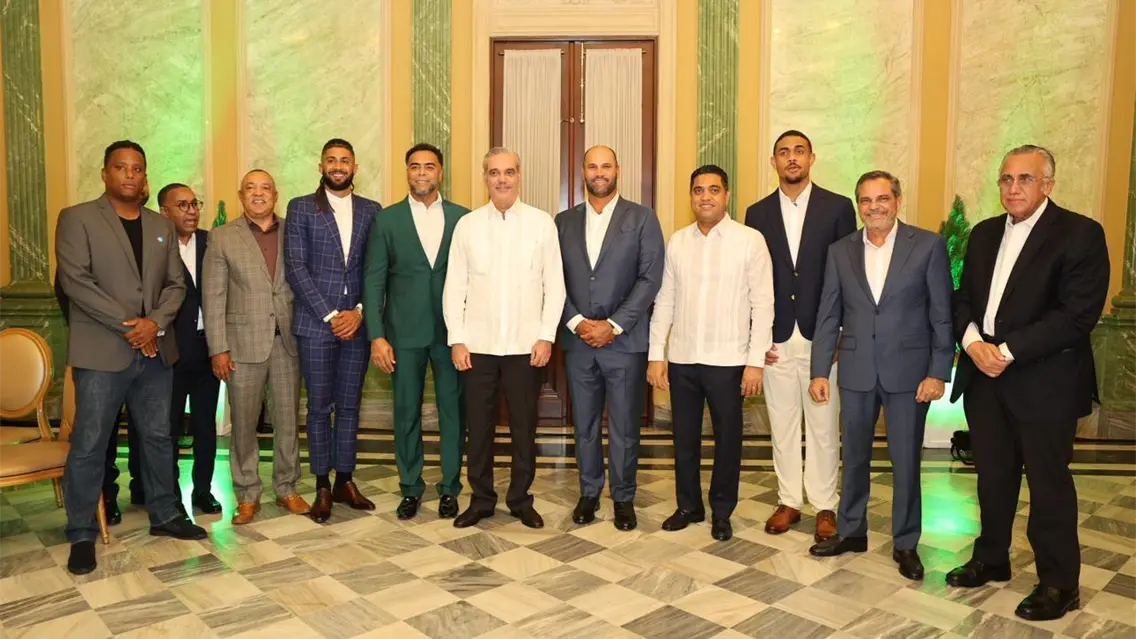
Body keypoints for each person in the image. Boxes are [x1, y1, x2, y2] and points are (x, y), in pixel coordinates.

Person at [946, 145, 1109, 621]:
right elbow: (961, 298)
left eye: (1025, 179)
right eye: (1006, 179)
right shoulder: (982, 234)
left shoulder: (1079, 233)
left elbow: (1077, 314)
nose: (1013, 188)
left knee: (1048, 485)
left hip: (1045, 382)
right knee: (992, 478)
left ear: (1048, 185)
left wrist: (1008, 351)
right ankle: (992, 557)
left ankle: (1059, 583)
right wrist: (973, 342)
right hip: (985, 378)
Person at [55, 140, 206, 575]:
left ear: (145, 176)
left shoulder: (161, 225)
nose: (129, 175)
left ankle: (165, 514)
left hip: (155, 351)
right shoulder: (78, 218)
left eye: (137, 169)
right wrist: (131, 326)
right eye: (120, 167)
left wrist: (153, 324)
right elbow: (76, 283)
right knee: (90, 443)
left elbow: (177, 285)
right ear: (105, 173)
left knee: (159, 437)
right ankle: (81, 532)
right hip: (103, 351)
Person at [807, 170, 953, 582]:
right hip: (855, 370)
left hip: (909, 374)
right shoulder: (840, 251)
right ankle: (852, 531)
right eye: (866, 201)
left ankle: (906, 542)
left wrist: (938, 372)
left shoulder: (927, 246)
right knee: (852, 456)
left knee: (905, 461)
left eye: (882, 198)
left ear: (898, 200)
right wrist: (820, 369)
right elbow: (829, 314)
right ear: (859, 206)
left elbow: (941, 313)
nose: (874, 207)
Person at [648, 165, 774, 542]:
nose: (706, 196)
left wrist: (755, 361)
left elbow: (763, 305)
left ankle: (722, 510)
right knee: (683, 438)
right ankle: (688, 506)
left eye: (714, 190)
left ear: (727, 195)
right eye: (699, 190)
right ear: (691, 196)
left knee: (727, 441)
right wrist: (658, 353)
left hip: (729, 361)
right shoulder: (678, 242)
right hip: (684, 357)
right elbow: (665, 301)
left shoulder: (749, 241)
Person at [443, 147, 565, 530]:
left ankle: (520, 499)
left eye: (508, 171)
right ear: (485, 178)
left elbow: (555, 286)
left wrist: (546, 336)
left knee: (523, 428)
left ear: (519, 175)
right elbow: (454, 286)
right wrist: (457, 339)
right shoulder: (468, 225)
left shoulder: (542, 223)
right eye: (494, 172)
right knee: (477, 428)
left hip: (525, 348)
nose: (501, 179)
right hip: (477, 348)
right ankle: (481, 499)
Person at [744, 130, 855, 541]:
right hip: (775, 337)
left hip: (822, 336)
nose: (792, 158)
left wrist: (842, 331)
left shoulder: (838, 208)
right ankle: (789, 500)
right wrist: (757, 339)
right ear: (773, 161)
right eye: (783, 153)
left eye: (799, 152)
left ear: (812, 158)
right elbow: (753, 281)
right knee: (783, 422)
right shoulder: (756, 213)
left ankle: (825, 504)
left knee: (824, 423)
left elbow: (849, 274)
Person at [557, 145, 664, 531]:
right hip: (578, 341)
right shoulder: (563, 222)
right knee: (583, 423)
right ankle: (589, 492)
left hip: (624, 342)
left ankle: (623, 496)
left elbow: (650, 278)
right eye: (592, 166)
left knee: (623, 425)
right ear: (582, 171)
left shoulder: (642, 218)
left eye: (606, 165)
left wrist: (614, 324)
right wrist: (575, 321)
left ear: (618, 169)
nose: (599, 172)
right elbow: (551, 280)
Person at [363, 143, 469, 520]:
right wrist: (377, 335)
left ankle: (450, 487)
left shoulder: (463, 218)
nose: (422, 173)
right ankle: (410, 486)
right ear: (407, 173)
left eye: (429, 166)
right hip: (402, 334)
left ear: (441, 172)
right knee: (405, 411)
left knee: (452, 412)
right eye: (414, 167)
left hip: (451, 333)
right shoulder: (387, 220)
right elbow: (374, 281)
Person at [204, 169, 310, 524]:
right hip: (242, 346)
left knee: (287, 421)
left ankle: (287, 488)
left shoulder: (294, 230)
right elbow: (214, 296)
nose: (259, 194)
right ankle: (247, 494)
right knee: (244, 425)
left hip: (287, 342)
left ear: (276, 194)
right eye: (251, 188)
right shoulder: (221, 238)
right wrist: (218, 348)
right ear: (241, 195)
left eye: (265, 188)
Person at [284, 138, 381, 522]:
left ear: (355, 166)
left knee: (351, 407)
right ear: (320, 166)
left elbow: (375, 270)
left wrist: (358, 312)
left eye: (344, 161)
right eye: (331, 160)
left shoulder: (373, 211)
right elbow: (296, 267)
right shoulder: (301, 207)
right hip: (316, 325)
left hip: (356, 325)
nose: (338, 166)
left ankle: (345, 480)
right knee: (320, 407)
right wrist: (330, 315)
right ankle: (322, 484)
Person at [157, 183, 221, 515]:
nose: (192, 210)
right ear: (164, 212)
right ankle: (169, 495)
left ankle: (203, 490)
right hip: (168, 353)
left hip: (206, 349)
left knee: (205, 426)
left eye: (195, 203)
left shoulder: (213, 242)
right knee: (166, 428)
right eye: (182, 205)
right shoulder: (154, 246)